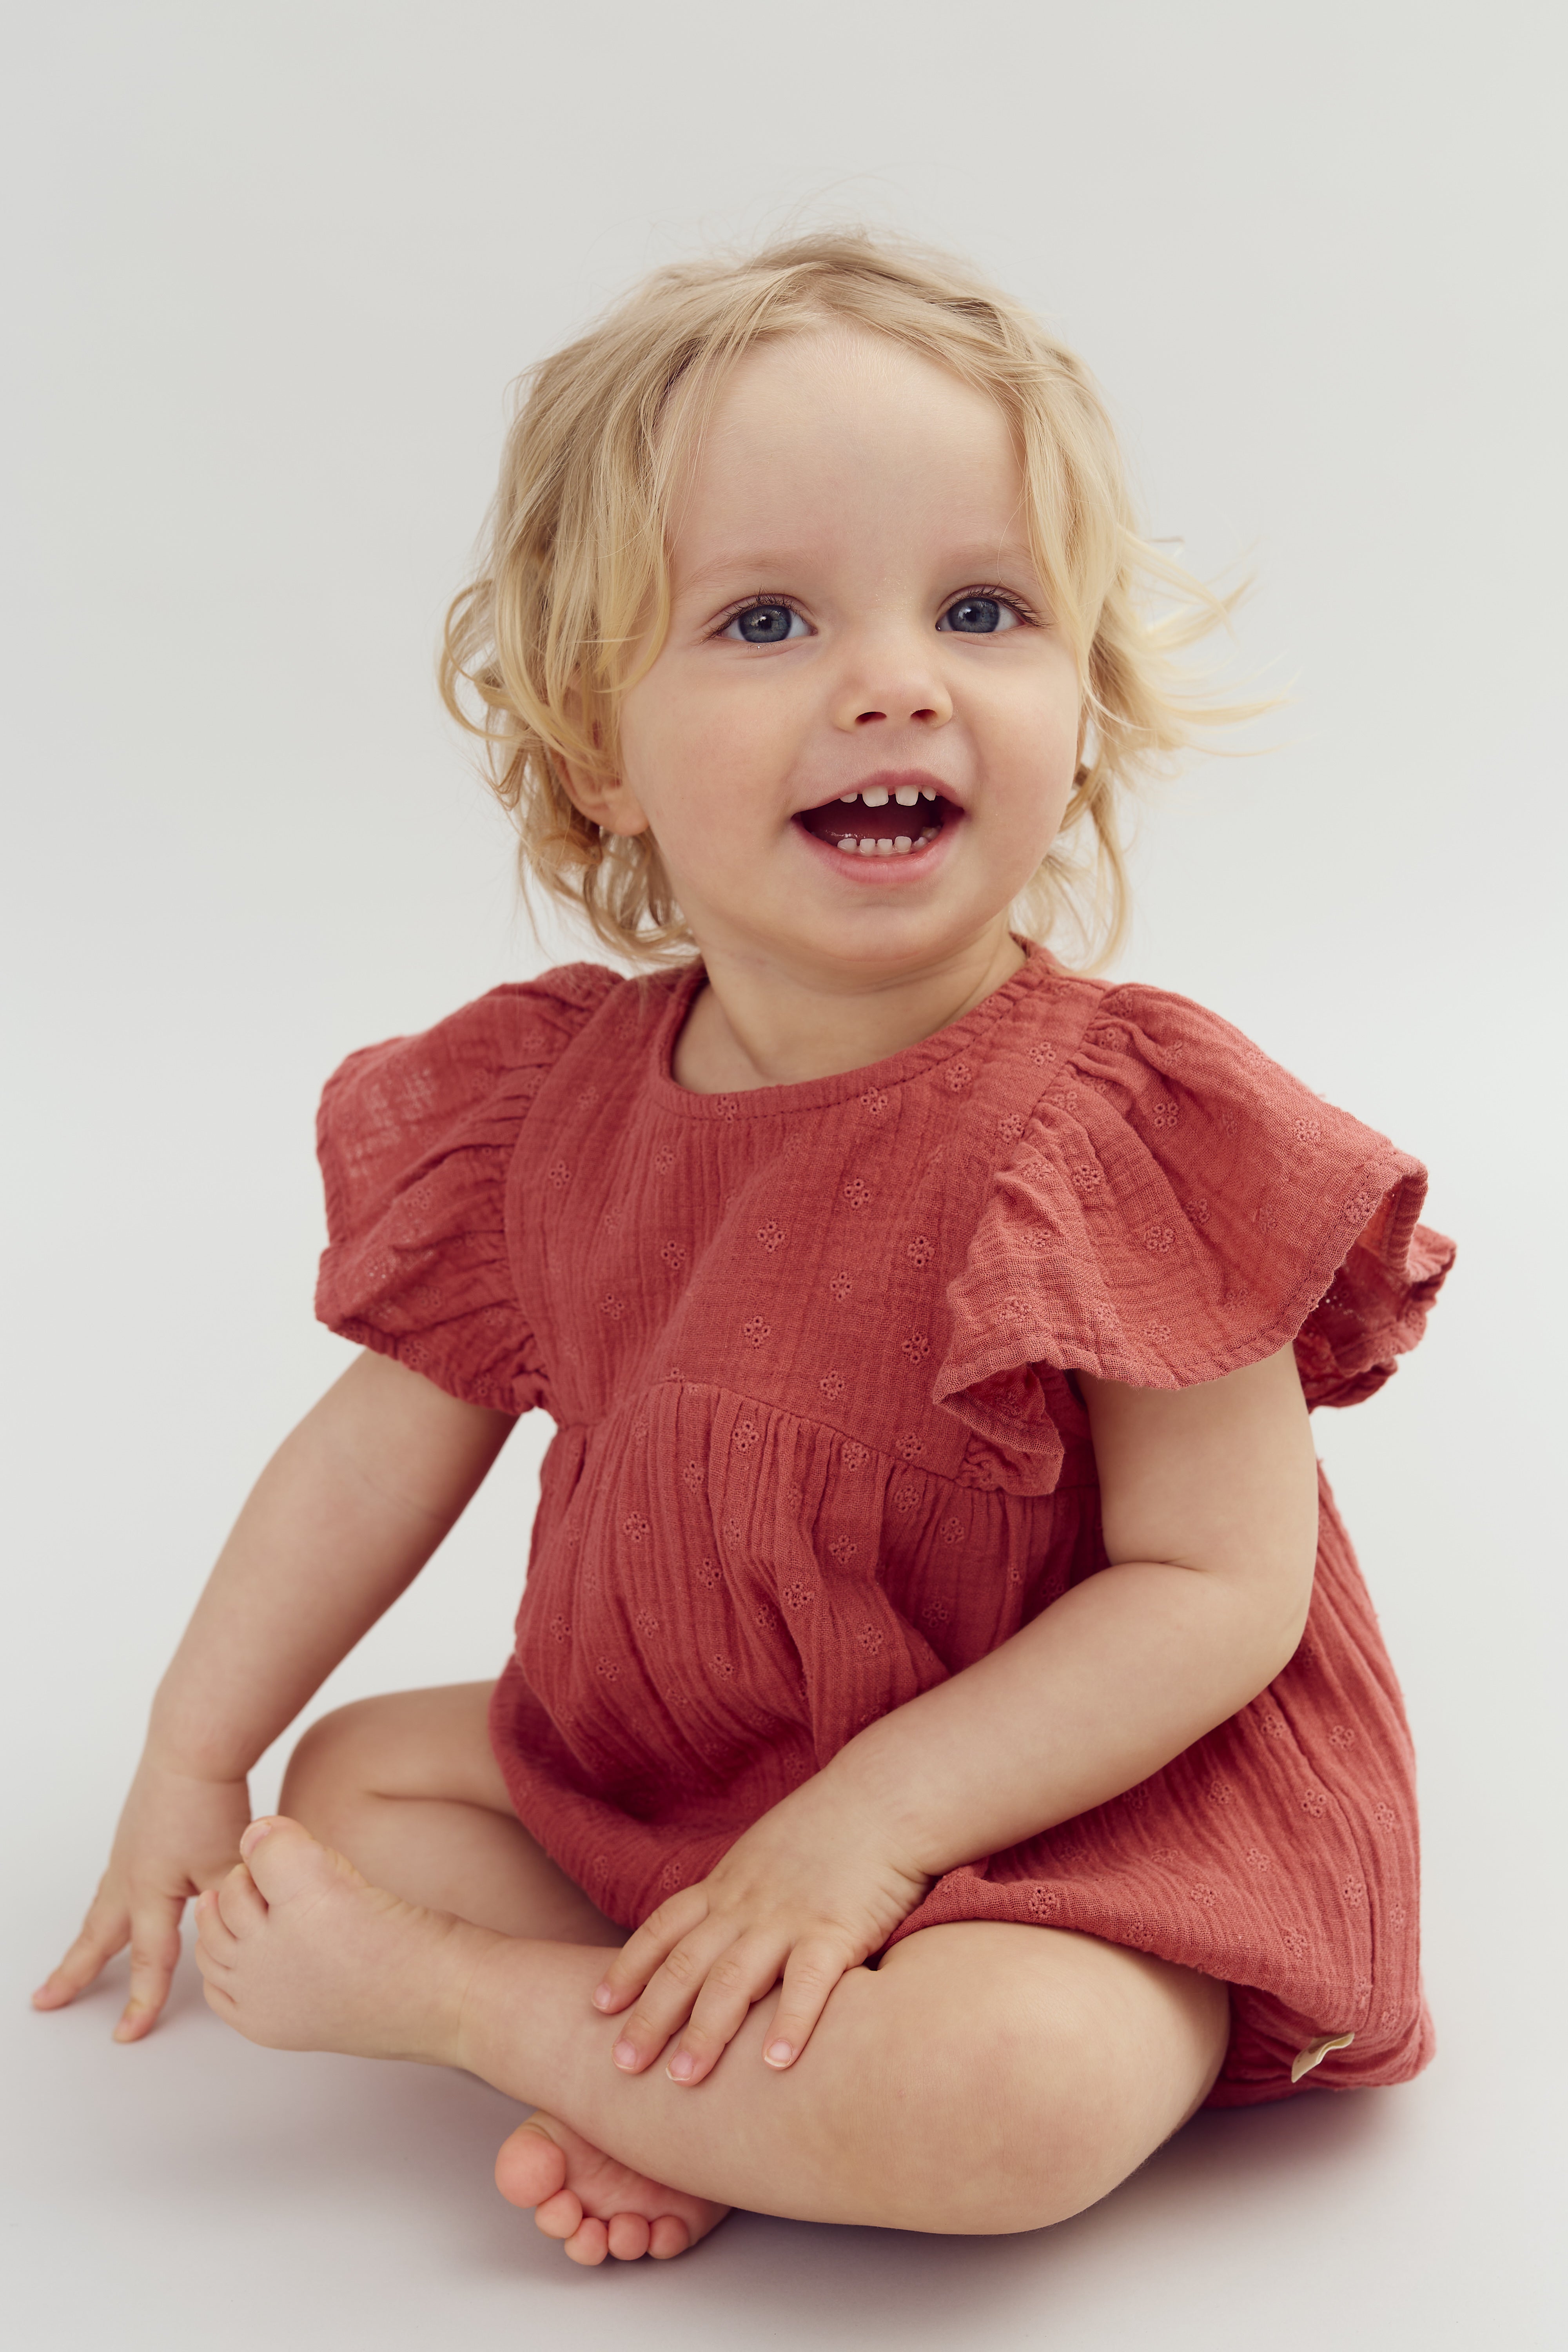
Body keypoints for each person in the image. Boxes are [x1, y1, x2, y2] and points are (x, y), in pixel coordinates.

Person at [33, 233, 1454, 2265]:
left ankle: (505, 2022)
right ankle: (726, 2084)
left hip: (1075, 1818)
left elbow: (1213, 1597)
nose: (897, 678)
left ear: (1086, 696)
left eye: (983, 607)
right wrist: (195, 1752)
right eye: (767, 617)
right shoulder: (549, 1113)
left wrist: (868, 1833)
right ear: (595, 744)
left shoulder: (1127, 1128)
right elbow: (369, 1457)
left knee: (1019, 2100)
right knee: (353, 1791)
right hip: (716, 1762)